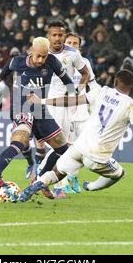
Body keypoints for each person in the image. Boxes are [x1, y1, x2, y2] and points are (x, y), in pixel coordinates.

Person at [19, 70, 133, 202]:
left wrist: (41, 101)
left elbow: (70, 100)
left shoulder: (100, 92)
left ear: (115, 81)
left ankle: (36, 185)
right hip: (97, 156)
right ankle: (91, 186)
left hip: (79, 146)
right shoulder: (132, 105)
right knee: (120, 173)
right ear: (132, 86)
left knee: (58, 172)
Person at [0, 37, 75, 200]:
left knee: (64, 150)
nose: (41, 60)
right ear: (31, 51)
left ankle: (40, 180)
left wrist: (70, 96)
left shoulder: (52, 62)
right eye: (38, 56)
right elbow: (5, 71)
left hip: (41, 110)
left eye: (44, 56)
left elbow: (68, 82)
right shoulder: (17, 62)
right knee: (20, 141)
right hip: (21, 107)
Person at [30, 22, 90, 196]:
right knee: (61, 147)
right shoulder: (41, 53)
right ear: (48, 37)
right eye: (54, 35)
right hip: (45, 104)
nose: (58, 38)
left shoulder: (73, 54)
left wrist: (77, 90)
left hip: (63, 105)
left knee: (62, 148)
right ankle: (48, 182)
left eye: (60, 35)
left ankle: (40, 178)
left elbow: (85, 73)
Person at [52, 32, 99, 197]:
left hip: (81, 111)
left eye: (75, 43)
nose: (72, 45)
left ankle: (72, 176)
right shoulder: (56, 61)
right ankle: (61, 183)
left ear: (80, 46)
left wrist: (98, 102)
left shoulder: (84, 63)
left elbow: (92, 84)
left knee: (87, 148)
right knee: (64, 147)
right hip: (63, 109)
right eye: (69, 42)